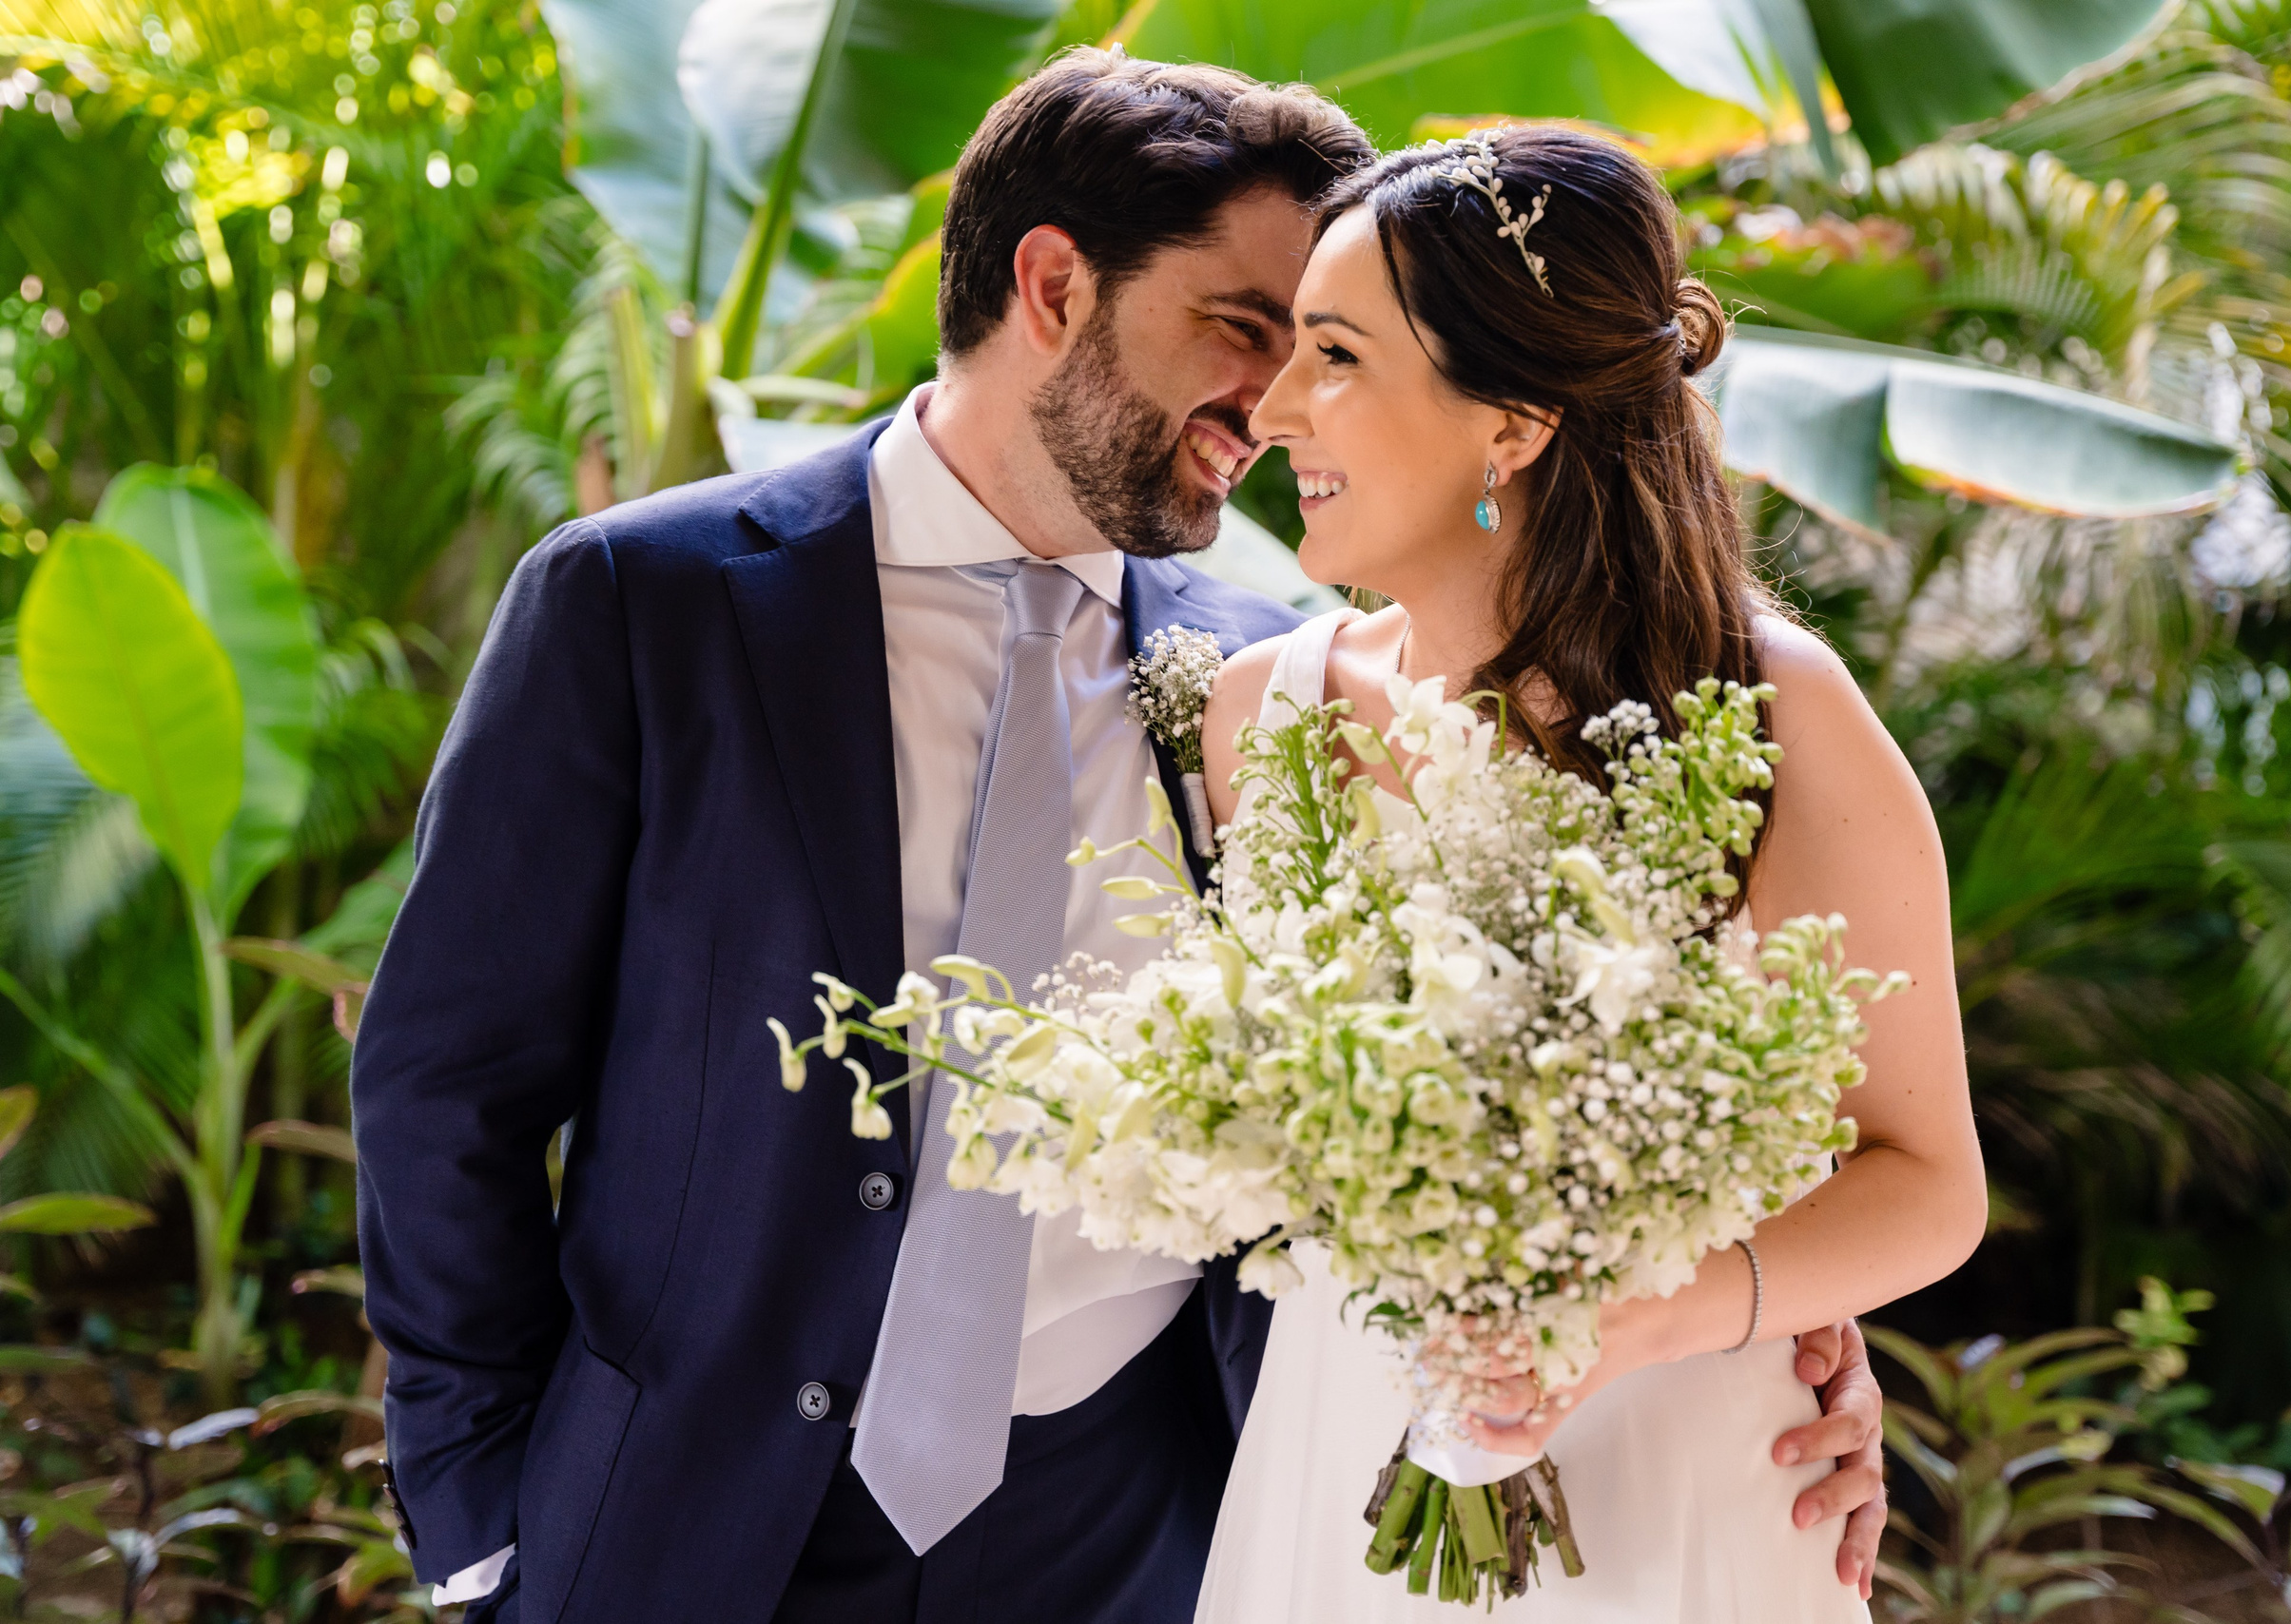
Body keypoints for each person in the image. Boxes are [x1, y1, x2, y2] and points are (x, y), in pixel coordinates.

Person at [351, 51, 1889, 1624]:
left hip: (1140, 1535)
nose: (1279, 404)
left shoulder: (1279, 673)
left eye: (1321, 349)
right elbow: (445, 1086)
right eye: (1244, 328)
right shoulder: (642, 605)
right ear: (1053, 284)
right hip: (689, 1520)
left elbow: (1514, 1039)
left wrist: (1766, 1349)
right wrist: (478, 1523)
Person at [1194, 127, 1985, 1621]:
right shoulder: (1257, 718)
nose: (1276, 406)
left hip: (1676, 1472)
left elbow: (1929, 1185)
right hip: (1334, 1456)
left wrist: (1632, 1322)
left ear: (1512, 422)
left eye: (1338, 356)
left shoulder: (1773, 720)